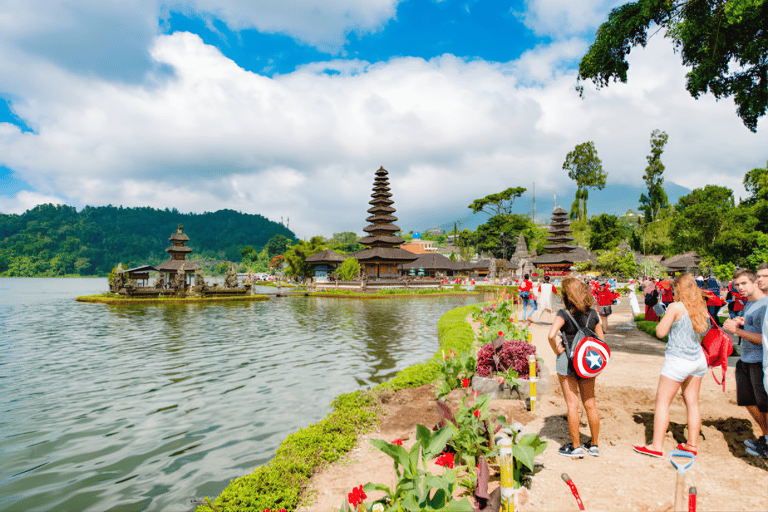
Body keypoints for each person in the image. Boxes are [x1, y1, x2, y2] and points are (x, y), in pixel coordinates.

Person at [633, 273, 709, 457]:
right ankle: (692, 445)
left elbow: (660, 332)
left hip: (678, 360)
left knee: (662, 402)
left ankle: (656, 447)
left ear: (678, 289)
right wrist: (658, 307)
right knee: (692, 403)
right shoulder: (700, 306)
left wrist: (659, 310)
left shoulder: (676, 306)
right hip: (697, 360)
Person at [547, 277, 604, 458]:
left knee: (572, 404)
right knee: (590, 403)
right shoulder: (593, 314)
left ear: (566, 296)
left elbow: (551, 334)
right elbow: (602, 342)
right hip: (587, 362)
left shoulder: (563, 314)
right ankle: (594, 445)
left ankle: (576, 446)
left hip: (568, 362)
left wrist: (556, 349)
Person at [723, 269, 768, 458]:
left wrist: (736, 331)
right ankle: (765, 437)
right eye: (737, 285)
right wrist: (740, 322)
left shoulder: (765, 304)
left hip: (759, 361)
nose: (740, 288)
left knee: (764, 405)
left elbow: (764, 338)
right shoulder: (749, 304)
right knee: (749, 402)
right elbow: (752, 327)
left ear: (754, 283)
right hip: (745, 359)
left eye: (744, 284)